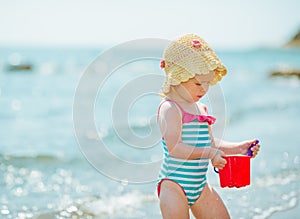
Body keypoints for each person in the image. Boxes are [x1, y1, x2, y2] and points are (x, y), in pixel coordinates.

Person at [156, 34, 260, 219]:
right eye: (198, 83)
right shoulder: (170, 108)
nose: (204, 89)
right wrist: (209, 154)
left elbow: (211, 144)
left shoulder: (201, 108)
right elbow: (175, 148)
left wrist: (239, 147)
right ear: (178, 77)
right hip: (174, 186)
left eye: (207, 83)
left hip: (199, 185)